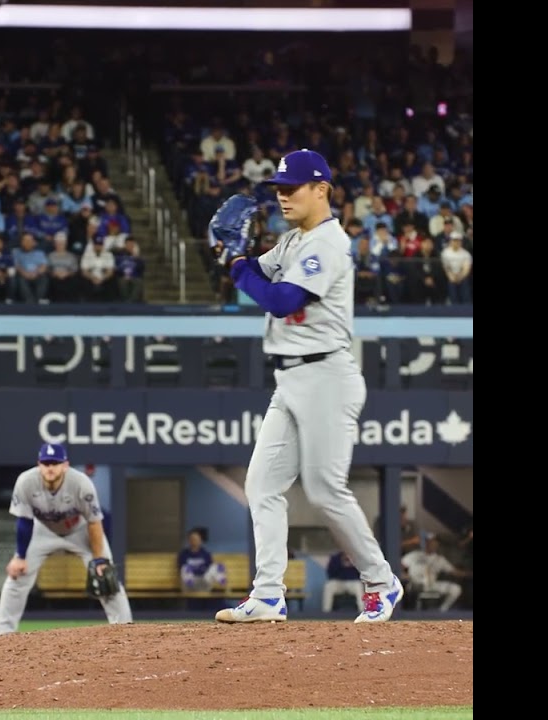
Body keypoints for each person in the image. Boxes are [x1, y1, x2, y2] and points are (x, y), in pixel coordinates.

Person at [208, 149, 402, 624]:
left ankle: (381, 581)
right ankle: (269, 595)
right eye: (278, 188)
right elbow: (255, 273)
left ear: (321, 190)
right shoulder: (295, 240)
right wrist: (234, 259)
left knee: (324, 489)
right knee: (261, 484)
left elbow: (279, 298)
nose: (282, 195)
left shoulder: (328, 243)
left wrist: (237, 261)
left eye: (291, 188)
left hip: (326, 377)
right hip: (291, 377)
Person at [0, 443, 134, 634]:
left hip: (80, 529)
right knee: (17, 576)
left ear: (65, 465)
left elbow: (94, 522)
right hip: (42, 530)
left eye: (55, 463)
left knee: (105, 576)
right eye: (46, 463)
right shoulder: (26, 481)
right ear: (39, 464)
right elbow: (24, 521)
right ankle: (2, 633)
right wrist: (20, 555)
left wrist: (99, 558)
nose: (50, 467)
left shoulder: (81, 483)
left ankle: (126, 632)